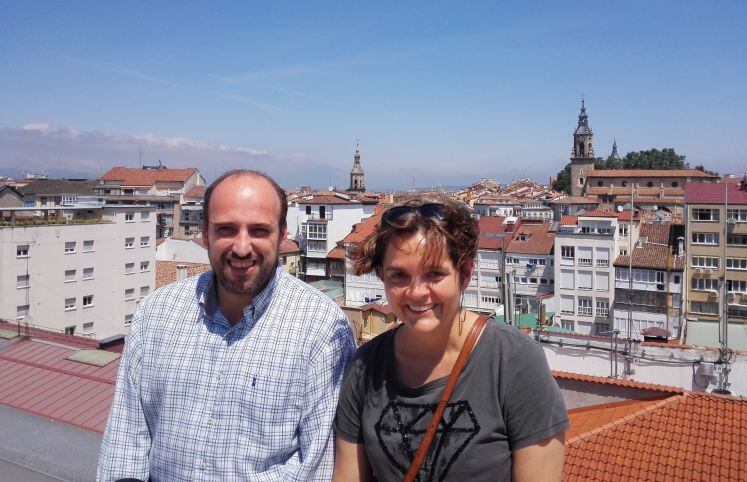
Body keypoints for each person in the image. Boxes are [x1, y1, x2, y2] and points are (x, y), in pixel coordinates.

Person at [98, 170, 356, 482]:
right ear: (204, 232)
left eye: (259, 230)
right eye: (226, 229)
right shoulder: (155, 314)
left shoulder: (322, 327)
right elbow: (126, 440)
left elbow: (315, 465)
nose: (242, 247)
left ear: (283, 233)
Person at [333, 195, 569, 482]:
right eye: (398, 276)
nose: (416, 292)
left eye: (434, 274)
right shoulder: (365, 368)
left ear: (465, 274)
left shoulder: (513, 361)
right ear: (382, 276)